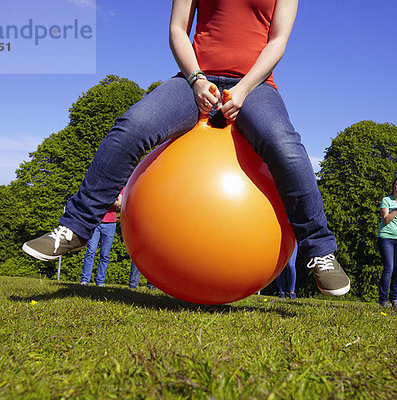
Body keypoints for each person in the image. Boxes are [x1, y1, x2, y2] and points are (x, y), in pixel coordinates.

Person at [22, 0, 350, 296]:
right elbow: (177, 28)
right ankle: (76, 227)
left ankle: (319, 250)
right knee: (131, 126)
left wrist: (244, 89)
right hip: (192, 82)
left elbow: (278, 40)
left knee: (286, 146)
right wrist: (196, 80)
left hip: (256, 87)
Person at [377, 177, 397, 309]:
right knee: (389, 268)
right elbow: (385, 220)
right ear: (393, 187)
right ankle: (383, 299)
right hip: (386, 237)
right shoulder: (386, 200)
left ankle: (394, 299)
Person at [79, 191, 122, 286]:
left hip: (110, 224)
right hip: (96, 221)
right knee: (90, 251)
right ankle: (85, 280)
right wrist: (111, 197)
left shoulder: (119, 186)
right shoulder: (100, 181)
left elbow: (119, 204)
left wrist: (103, 197)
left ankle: (100, 282)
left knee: (105, 255)